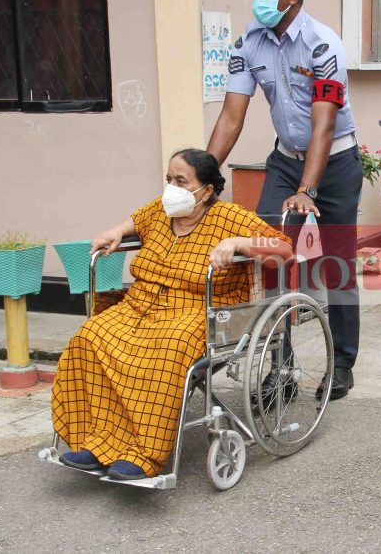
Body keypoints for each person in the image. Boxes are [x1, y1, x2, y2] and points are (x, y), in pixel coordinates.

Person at [52, 149, 293, 480]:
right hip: (141, 304)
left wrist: (238, 243)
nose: (172, 188)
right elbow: (135, 219)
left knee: (166, 350)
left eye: (181, 181)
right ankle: (98, 442)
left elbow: (283, 250)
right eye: (169, 179)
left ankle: (144, 454)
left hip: (196, 311)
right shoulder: (162, 210)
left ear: (206, 190)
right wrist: (117, 231)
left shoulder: (229, 217)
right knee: (89, 338)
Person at [206, 0, 362, 402]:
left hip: (335, 163)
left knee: (338, 266)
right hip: (284, 160)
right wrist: (202, 177)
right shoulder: (248, 43)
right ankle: (282, 366)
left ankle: (343, 363)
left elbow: (324, 124)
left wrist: (307, 190)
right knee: (271, 260)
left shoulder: (322, 44)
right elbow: (231, 118)